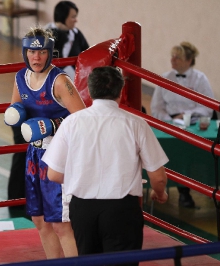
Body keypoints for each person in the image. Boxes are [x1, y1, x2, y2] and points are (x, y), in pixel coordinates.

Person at [42, 66, 169, 262]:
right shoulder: (136, 124)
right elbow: (158, 177)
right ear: (121, 91)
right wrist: (159, 193)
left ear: (90, 91)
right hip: (122, 210)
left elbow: (54, 175)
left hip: (83, 210)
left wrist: (82, 176)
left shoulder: (71, 123)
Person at [3, 27, 86, 258]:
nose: (36, 57)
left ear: (50, 53)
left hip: (59, 155)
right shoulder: (20, 78)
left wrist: (52, 125)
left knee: (61, 224)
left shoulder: (59, 81)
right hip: (34, 154)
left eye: (41, 52)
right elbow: (15, 111)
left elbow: (83, 119)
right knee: (39, 221)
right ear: (25, 52)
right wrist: (16, 115)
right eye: (31, 51)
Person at [150, 41, 214, 208]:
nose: (173, 60)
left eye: (178, 57)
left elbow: (208, 107)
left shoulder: (200, 79)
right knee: (172, 149)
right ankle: (178, 190)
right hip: (170, 123)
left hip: (194, 123)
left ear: (189, 60)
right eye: (172, 56)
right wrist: (170, 118)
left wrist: (187, 116)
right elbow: (156, 107)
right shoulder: (164, 78)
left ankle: (203, 189)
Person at [45, 1, 89, 80]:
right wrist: (61, 32)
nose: (76, 20)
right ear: (63, 18)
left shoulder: (76, 33)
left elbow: (87, 52)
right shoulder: (46, 35)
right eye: (73, 17)